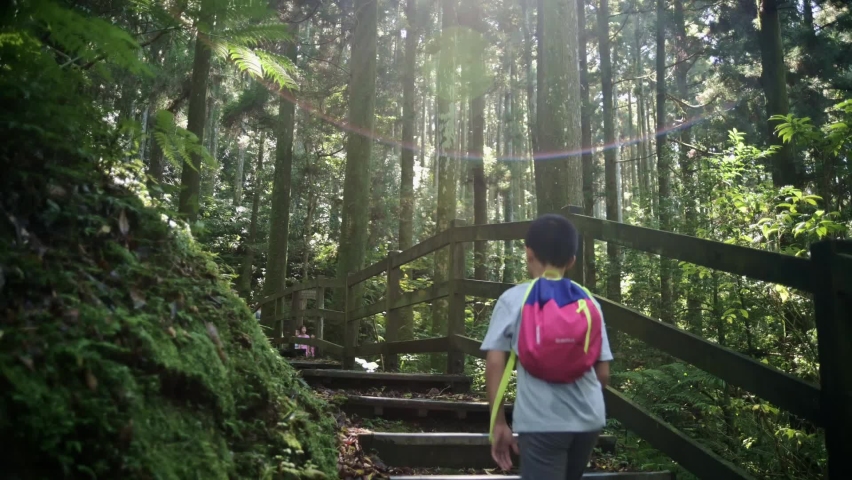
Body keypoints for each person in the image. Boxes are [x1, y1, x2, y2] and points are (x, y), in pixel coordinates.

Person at [481, 214, 613, 479]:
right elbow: (603, 374)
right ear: (572, 260)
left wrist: (498, 423)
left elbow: (495, 363)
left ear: (528, 253)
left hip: (541, 420)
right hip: (589, 418)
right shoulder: (587, 302)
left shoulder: (513, 299)